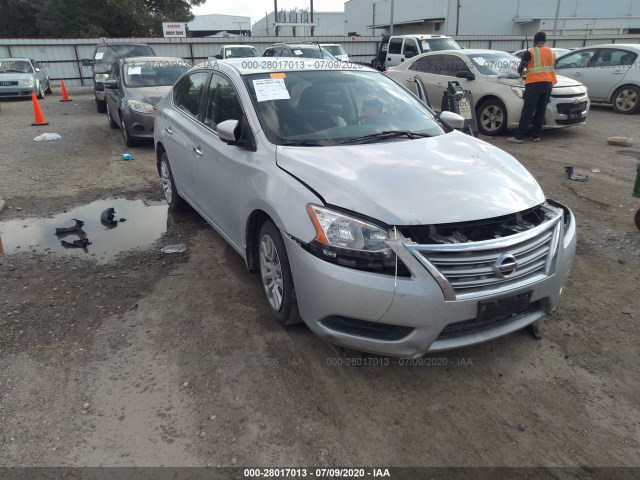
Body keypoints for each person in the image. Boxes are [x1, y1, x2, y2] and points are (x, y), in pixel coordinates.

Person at [508, 31, 558, 144]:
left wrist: (521, 72)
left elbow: (521, 68)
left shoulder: (531, 52)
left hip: (534, 84)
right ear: (545, 41)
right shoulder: (551, 52)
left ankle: (519, 137)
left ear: (535, 40)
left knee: (528, 110)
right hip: (548, 84)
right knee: (541, 110)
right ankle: (536, 135)